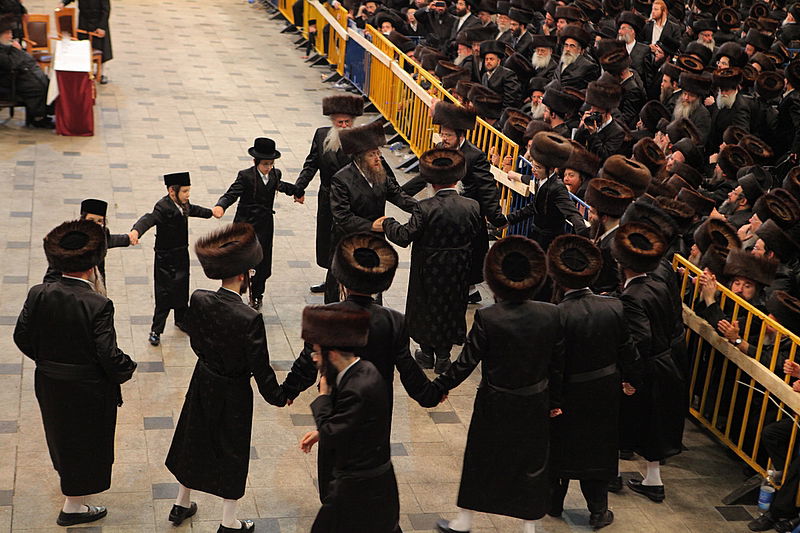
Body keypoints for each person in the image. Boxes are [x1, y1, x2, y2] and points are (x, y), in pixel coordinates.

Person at [281, 232, 441, 502]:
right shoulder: (394, 321)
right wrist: (431, 394)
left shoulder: (327, 316)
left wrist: (285, 392)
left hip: (336, 411)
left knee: (335, 481)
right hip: (377, 414)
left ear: (341, 279)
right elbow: (409, 369)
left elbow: (306, 364)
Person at [433, 236, 564, 533]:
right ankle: (529, 527)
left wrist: (440, 387)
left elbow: (465, 362)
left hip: (495, 401)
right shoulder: (551, 314)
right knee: (532, 464)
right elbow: (558, 365)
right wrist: (556, 402)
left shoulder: (488, 317)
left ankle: (464, 521)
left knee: (481, 459)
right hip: (535, 399)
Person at [13, 219, 137, 527]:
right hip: (88, 388)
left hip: (49, 382)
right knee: (90, 442)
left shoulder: (37, 293)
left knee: (62, 438)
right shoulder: (98, 303)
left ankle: (74, 500)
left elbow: (21, 337)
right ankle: (73, 507)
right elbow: (108, 355)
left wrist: (50, 361)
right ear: (92, 267)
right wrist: (127, 367)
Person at [165, 223, 287, 533]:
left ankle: (181, 503)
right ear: (245, 275)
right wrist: (283, 393)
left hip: (203, 378)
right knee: (232, 451)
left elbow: (195, 341)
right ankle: (229, 522)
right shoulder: (249, 318)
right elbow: (261, 371)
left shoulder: (200, 298)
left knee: (193, 438)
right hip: (233, 390)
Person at [546, 235, 641, 530]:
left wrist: (554, 402)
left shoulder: (557, 315)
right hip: (604, 391)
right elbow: (629, 350)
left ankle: (553, 503)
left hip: (569, 395)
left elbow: (555, 365)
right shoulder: (614, 307)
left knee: (560, 450)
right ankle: (599, 511)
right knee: (598, 450)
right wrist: (630, 380)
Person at [379, 148, 483, 373]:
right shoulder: (472, 206)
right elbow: (478, 239)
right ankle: (444, 357)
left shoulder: (424, 208)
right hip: (458, 269)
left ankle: (426, 354)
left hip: (428, 269)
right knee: (451, 306)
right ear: (457, 179)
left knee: (425, 307)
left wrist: (388, 223)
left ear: (431, 182)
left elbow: (405, 236)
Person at [300, 305, 401, 533]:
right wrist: (321, 432)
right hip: (372, 484)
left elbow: (332, 434)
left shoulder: (357, 387)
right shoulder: (366, 370)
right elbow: (356, 421)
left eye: (317, 352)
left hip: (359, 486)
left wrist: (323, 398)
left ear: (332, 354)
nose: (315, 359)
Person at [402, 101, 506, 302]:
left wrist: (496, 216)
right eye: (442, 134)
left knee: (467, 259)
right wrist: (400, 193)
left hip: (467, 216)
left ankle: (467, 292)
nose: (444, 139)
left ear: (461, 136)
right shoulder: (440, 148)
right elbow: (424, 175)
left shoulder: (475, 156)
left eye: (448, 135)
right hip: (444, 211)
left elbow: (487, 187)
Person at [612, 222, 686, 502]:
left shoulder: (632, 297)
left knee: (624, 422)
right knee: (653, 426)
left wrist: (630, 378)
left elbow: (639, 340)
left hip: (647, 368)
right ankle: (652, 481)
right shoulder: (657, 284)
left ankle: (613, 475)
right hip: (666, 363)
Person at [327, 120, 417, 303]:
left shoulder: (379, 173)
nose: (378, 158)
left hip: (374, 242)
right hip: (349, 241)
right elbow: (342, 217)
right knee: (341, 286)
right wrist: (371, 226)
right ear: (360, 158)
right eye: (372, 155)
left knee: (373, 284)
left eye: (378, 153)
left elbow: (398, 196)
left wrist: (423, 208)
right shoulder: (341, 180)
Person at [213, 138, 300, 310]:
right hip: (245, 225)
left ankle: (257, 295)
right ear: (255, 162)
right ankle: (233, 292)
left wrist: (297, 192)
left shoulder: (275, 174)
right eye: (265, 164)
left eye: (271, 164)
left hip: (265, 225)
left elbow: (279, 185)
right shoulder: (245, 176)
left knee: (263, 261)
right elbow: (232, 193)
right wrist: (221, 205)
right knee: (240, 260)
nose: (268, 168)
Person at [130, 172, 213, 347]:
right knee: (164, 294)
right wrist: (136, 231)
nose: (188, 195)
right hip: (165, 259)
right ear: (172, 191)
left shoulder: (183, 204)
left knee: (182, 289)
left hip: (181, 255)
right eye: (185, 191)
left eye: (189, 191)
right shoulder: (163, 207)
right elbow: (148, 219)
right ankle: (156, 330)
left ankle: (181, 320)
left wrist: (211, 212)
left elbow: (195, 210)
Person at [293, 95, 364, 294]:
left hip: (352, 201)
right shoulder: (321, 135)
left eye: (347, 122)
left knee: (347, 241)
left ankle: (346, 280)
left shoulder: (360, 139)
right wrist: (299, 187)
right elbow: (311, 164)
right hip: (327, 198)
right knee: (326, 239)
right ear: (332, 122)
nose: (343, 126)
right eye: (339, 122)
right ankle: (331, 278)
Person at [505, 131, 589, 250]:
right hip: (536, 235)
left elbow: (572, 213)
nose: (533, 170)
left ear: (550, 169)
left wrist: (584, 235)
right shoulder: (540, 179)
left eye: (538, 167)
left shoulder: (558, 187)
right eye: (533, 166)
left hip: (549, 243)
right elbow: (534, 206)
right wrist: (509, 219)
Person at [44, 198, 134, 286]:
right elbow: (52, 275)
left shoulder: (103, 233)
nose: (95, 224)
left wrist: (129, 238)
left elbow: (110, 241)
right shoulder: (73, 237)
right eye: (91, 220)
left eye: (100, 221)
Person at [0, 16, 54, 128]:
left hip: (17, 75)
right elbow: (11, 64)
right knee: (36, 86)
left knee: (44, 81)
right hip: (8, 82)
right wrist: (16, 50)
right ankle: (37, 117)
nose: (11, 36)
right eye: (7, 33)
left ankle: (43, 113)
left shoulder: (4, 46)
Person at [59, 0, 112, 84]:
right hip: (84, 21)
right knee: (82, 47)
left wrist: (101, 26)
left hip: (98, 21)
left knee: (101, 48)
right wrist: (63, 3)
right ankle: (84, 72)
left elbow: (106, 10)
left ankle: (101, 73)